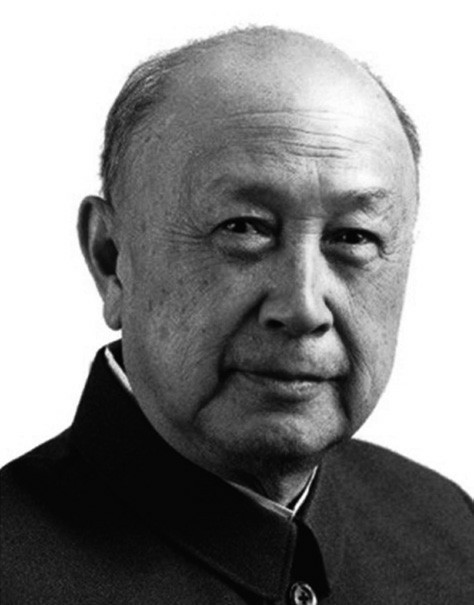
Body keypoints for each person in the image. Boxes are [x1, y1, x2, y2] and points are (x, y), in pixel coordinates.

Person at [1, 26, 473, 605]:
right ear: (111, 258)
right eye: (244, 228)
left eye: (353, 236)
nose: (302, 308)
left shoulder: (450, 532)